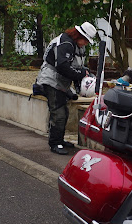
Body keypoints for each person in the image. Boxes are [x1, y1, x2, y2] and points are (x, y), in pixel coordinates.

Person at [36, 22, 96, 155]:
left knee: (64, 112)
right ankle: (55, 143)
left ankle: (59, 140)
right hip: (51, 80)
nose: (85, 43)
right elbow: (62, 66)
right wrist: (80, 75)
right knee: (59, 113)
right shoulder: (65, 43)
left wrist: (81, 79)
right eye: (85, 40)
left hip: (61, 82)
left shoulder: (76, 46)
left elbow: (77, 67)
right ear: (79, 35)